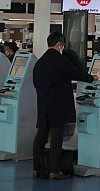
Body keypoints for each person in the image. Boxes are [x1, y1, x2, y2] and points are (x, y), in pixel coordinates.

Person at [32, 33, 92, 179]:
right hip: (57, 104)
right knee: (56, 137)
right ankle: (53, 171)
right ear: (59, 44)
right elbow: (74, 73)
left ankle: (37, 169)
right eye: (62, 44)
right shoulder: (59, 59)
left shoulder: (40, 61)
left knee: (41, 135)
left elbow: (36, 83)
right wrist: (91, 78)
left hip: (43, 103)